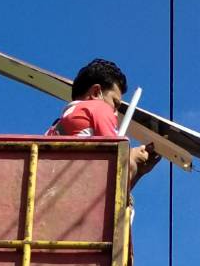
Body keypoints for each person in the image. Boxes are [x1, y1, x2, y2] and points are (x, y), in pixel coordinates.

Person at [48, 57, 160, 185]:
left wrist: (139, 172)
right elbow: (118, 163)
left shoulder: (58, 125)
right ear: (96, 92)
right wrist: (133, 159)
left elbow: (105, 190)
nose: (115, 112)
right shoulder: (99, 107)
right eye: (114, 102)